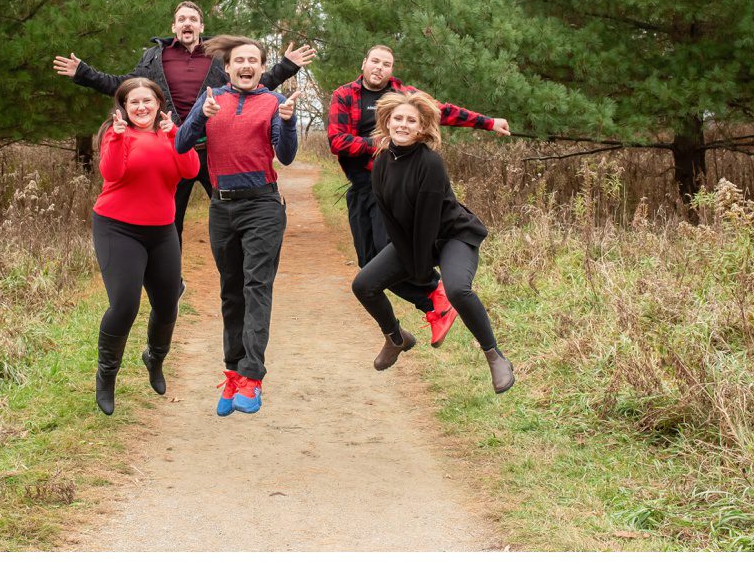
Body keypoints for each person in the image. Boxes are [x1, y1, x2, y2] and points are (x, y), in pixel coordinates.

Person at [53, 1, 315, 243]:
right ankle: (171, 281)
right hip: (174, 147)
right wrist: (84, 73)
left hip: (214, 150)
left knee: (230, 213)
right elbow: (124, 87)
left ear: (201, 26)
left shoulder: (218, 57)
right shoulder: (154, 57)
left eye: (192, 19)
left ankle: (236, 272)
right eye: (181, 19)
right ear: (174, 27)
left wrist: (286, 67)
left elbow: (253, 83)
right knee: (170, 220)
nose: (187, 23)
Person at [327, 44, 508, 346]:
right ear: (364, 63)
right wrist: (384, 143)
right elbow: (337, 140)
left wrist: (488, 122)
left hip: (398, 184)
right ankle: (430, 302)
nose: (380, 68)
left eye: (386, 64)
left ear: (391, 69)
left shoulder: (404, 94)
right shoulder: (345, 95)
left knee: (391, 248)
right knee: (368, 264)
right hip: (363, 185)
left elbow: (443, 111)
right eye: (375, 62)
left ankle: (434, 299)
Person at [352, 90, 514, 393]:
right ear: (386, 122)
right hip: (415, 238)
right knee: (364, 284)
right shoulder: (382, 163)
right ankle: (396, 338)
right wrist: (410, 265)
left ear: (422, 127)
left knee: (457, 289)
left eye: (410, 120)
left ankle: (495, 356)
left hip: (453, 235)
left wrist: (421, 273)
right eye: (397, 119)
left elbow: (427, 222)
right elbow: (391, 221)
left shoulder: (430, 164)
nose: (402, 125)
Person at [173, 36, 298, 416]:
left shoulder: (274, 103)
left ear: (262, 68)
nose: (246, 66)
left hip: (262, 204)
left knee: (256, 285)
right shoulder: (211, 99)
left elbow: (287, 155)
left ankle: (252, 376)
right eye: (239, 60)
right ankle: (232, 370)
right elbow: (181, 144)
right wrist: (201, 115)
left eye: (253, 61)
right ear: (227, 68)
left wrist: (289, 124)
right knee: (230, 292)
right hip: (221, 208)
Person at [90, 78, 199, 415]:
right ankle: (106, 376)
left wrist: (173, 136)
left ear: (158, 103)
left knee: (168, 305)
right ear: (123, 107)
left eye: (147, 101)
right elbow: (112, 173)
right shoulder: (116, 134)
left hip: (162, 230)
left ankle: (154, 358)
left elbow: (190, 170)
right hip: (118, 229)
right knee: (124, 305)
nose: (141, 107)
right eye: (133, 102)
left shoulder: (170, 134)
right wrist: (120, 138)